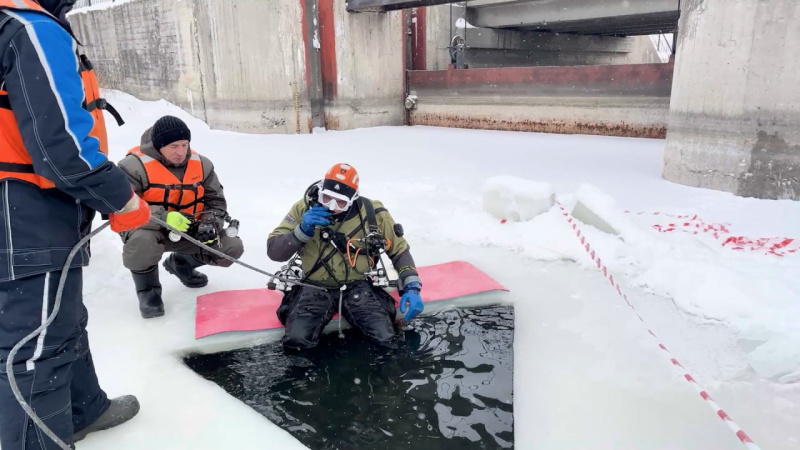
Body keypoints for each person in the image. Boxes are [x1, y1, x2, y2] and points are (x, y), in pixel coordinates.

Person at [0, 0, 150, 447]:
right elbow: (59, 145)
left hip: (27, 207)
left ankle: (85, 409)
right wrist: (120, 198)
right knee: (36, 344)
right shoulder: (29, 27)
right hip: (27, 210)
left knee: (62, 317)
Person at [267, 163, 424, 350]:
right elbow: (274, 251)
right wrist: (301, 231)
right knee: (296, 341)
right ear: (320, 190)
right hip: (314, 285)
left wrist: (412, 287)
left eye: (340, 202)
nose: (332, 206)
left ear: (353, 199)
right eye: (326, 198)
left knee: (385, 338)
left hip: (357, 285)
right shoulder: (303, 209)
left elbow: (399, 250)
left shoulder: (372, 212)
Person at [118, 115, 244, 318]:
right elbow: (123, 206)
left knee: (231, 247)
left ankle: (181, 263)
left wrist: (209, 223)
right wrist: (164, 217)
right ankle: (148, 292)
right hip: (150, 228)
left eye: (185, 145)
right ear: (159, 146)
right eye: (174, 146)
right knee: (141, 243)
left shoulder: (202, 165)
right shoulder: (132, 167)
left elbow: (216, 202)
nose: (180, 152)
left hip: (190, 227)